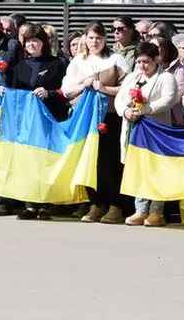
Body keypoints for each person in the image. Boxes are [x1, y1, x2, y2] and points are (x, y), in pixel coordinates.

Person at [62, 22, 128, 224]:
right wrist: (84, 85)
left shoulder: (116, 59)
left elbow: (128, 87)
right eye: (91, 37)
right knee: (89, 160)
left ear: (105, 39)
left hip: (109, 117)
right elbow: (67, 90)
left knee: (110, 161)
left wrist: (104, 88)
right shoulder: (77, 61)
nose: (95, 42)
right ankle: (95, 203)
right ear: (85, 38)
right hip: (85, 118)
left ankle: (115, 205)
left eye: (98, 37)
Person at [114, 42, 178, 227]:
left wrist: (144, 109)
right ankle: (140, 209)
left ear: (156, 59)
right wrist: (126, 112)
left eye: (146, 62)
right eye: (139, 62)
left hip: (155, 130)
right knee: (138, 168)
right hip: (133, 129)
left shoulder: (166, 77)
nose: (142, 66)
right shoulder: (132, 77)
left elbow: (168, 100)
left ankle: (157, 210)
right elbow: (120, 98)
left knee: (156, 169)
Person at [10, 25, 68, 220]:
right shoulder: (21, 67)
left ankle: (47, 203)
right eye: (28, 41)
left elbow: (64, 93)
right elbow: (16, 92)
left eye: (35, 40)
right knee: (29, 161)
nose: (31, 44)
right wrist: (7, 94)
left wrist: (49, 94)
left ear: (44, 43)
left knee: (46, 161)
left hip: (50, 120)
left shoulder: (57, 65)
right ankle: (31, 204)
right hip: (28, 123)